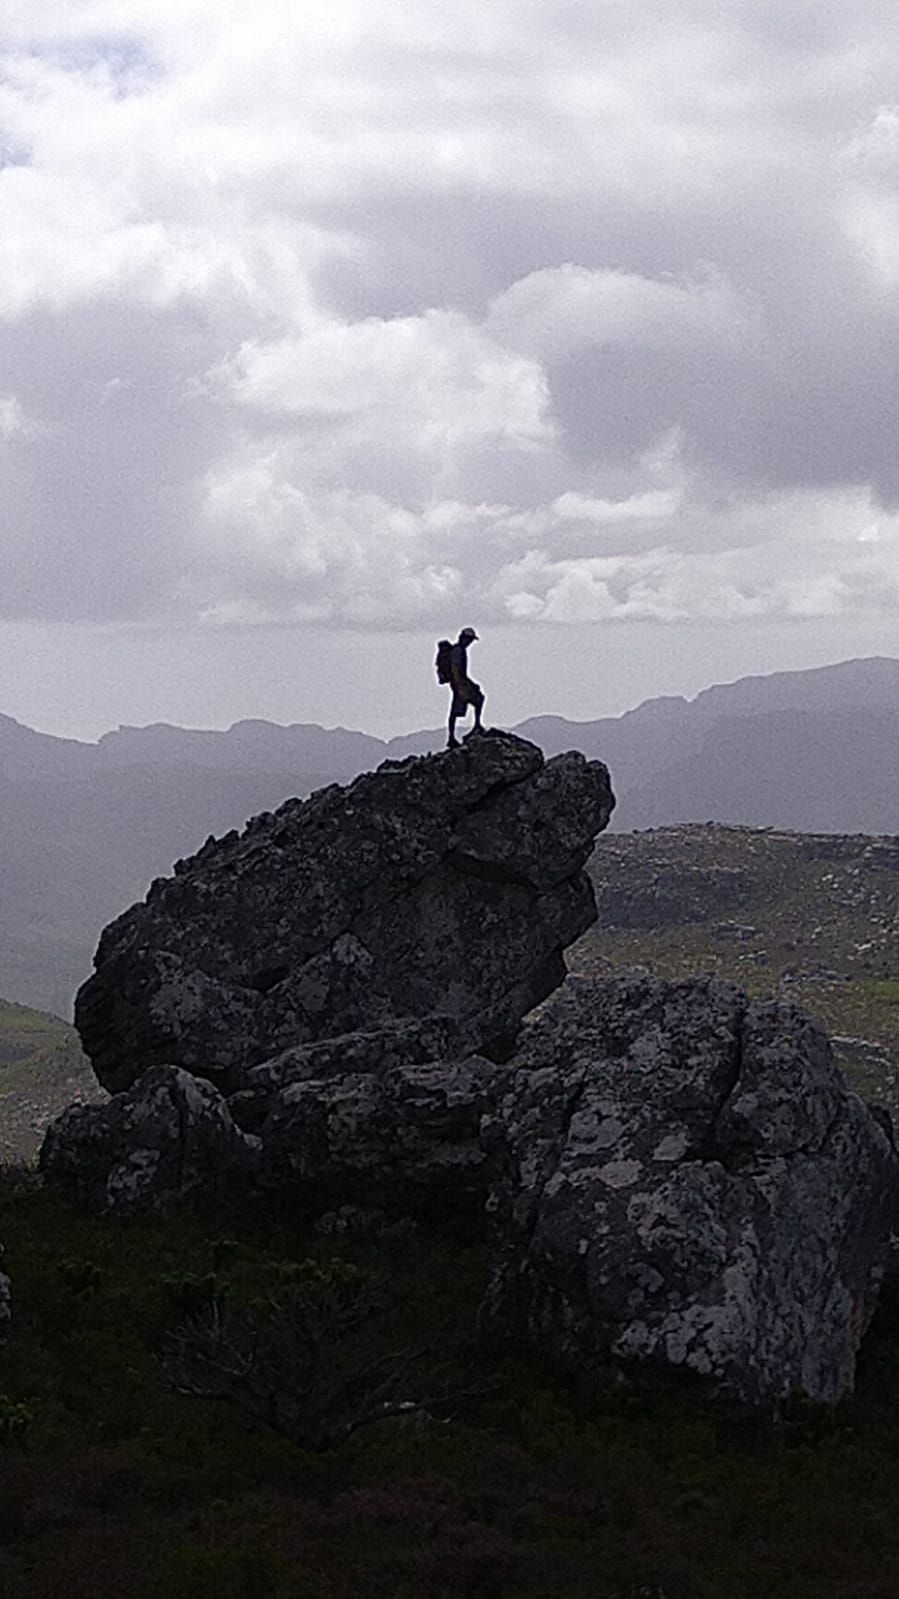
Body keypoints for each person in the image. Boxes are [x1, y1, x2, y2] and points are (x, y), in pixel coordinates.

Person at [447, 626, 485, 748]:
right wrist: (461, 687)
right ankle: (453, 737)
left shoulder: (459, 650)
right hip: (460, 684)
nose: (470, 643)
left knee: (458, 709)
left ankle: (453, 736)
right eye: (469, 640)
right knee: (476, 700)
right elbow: (456, 669)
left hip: (460, 683)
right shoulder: (458, 651)